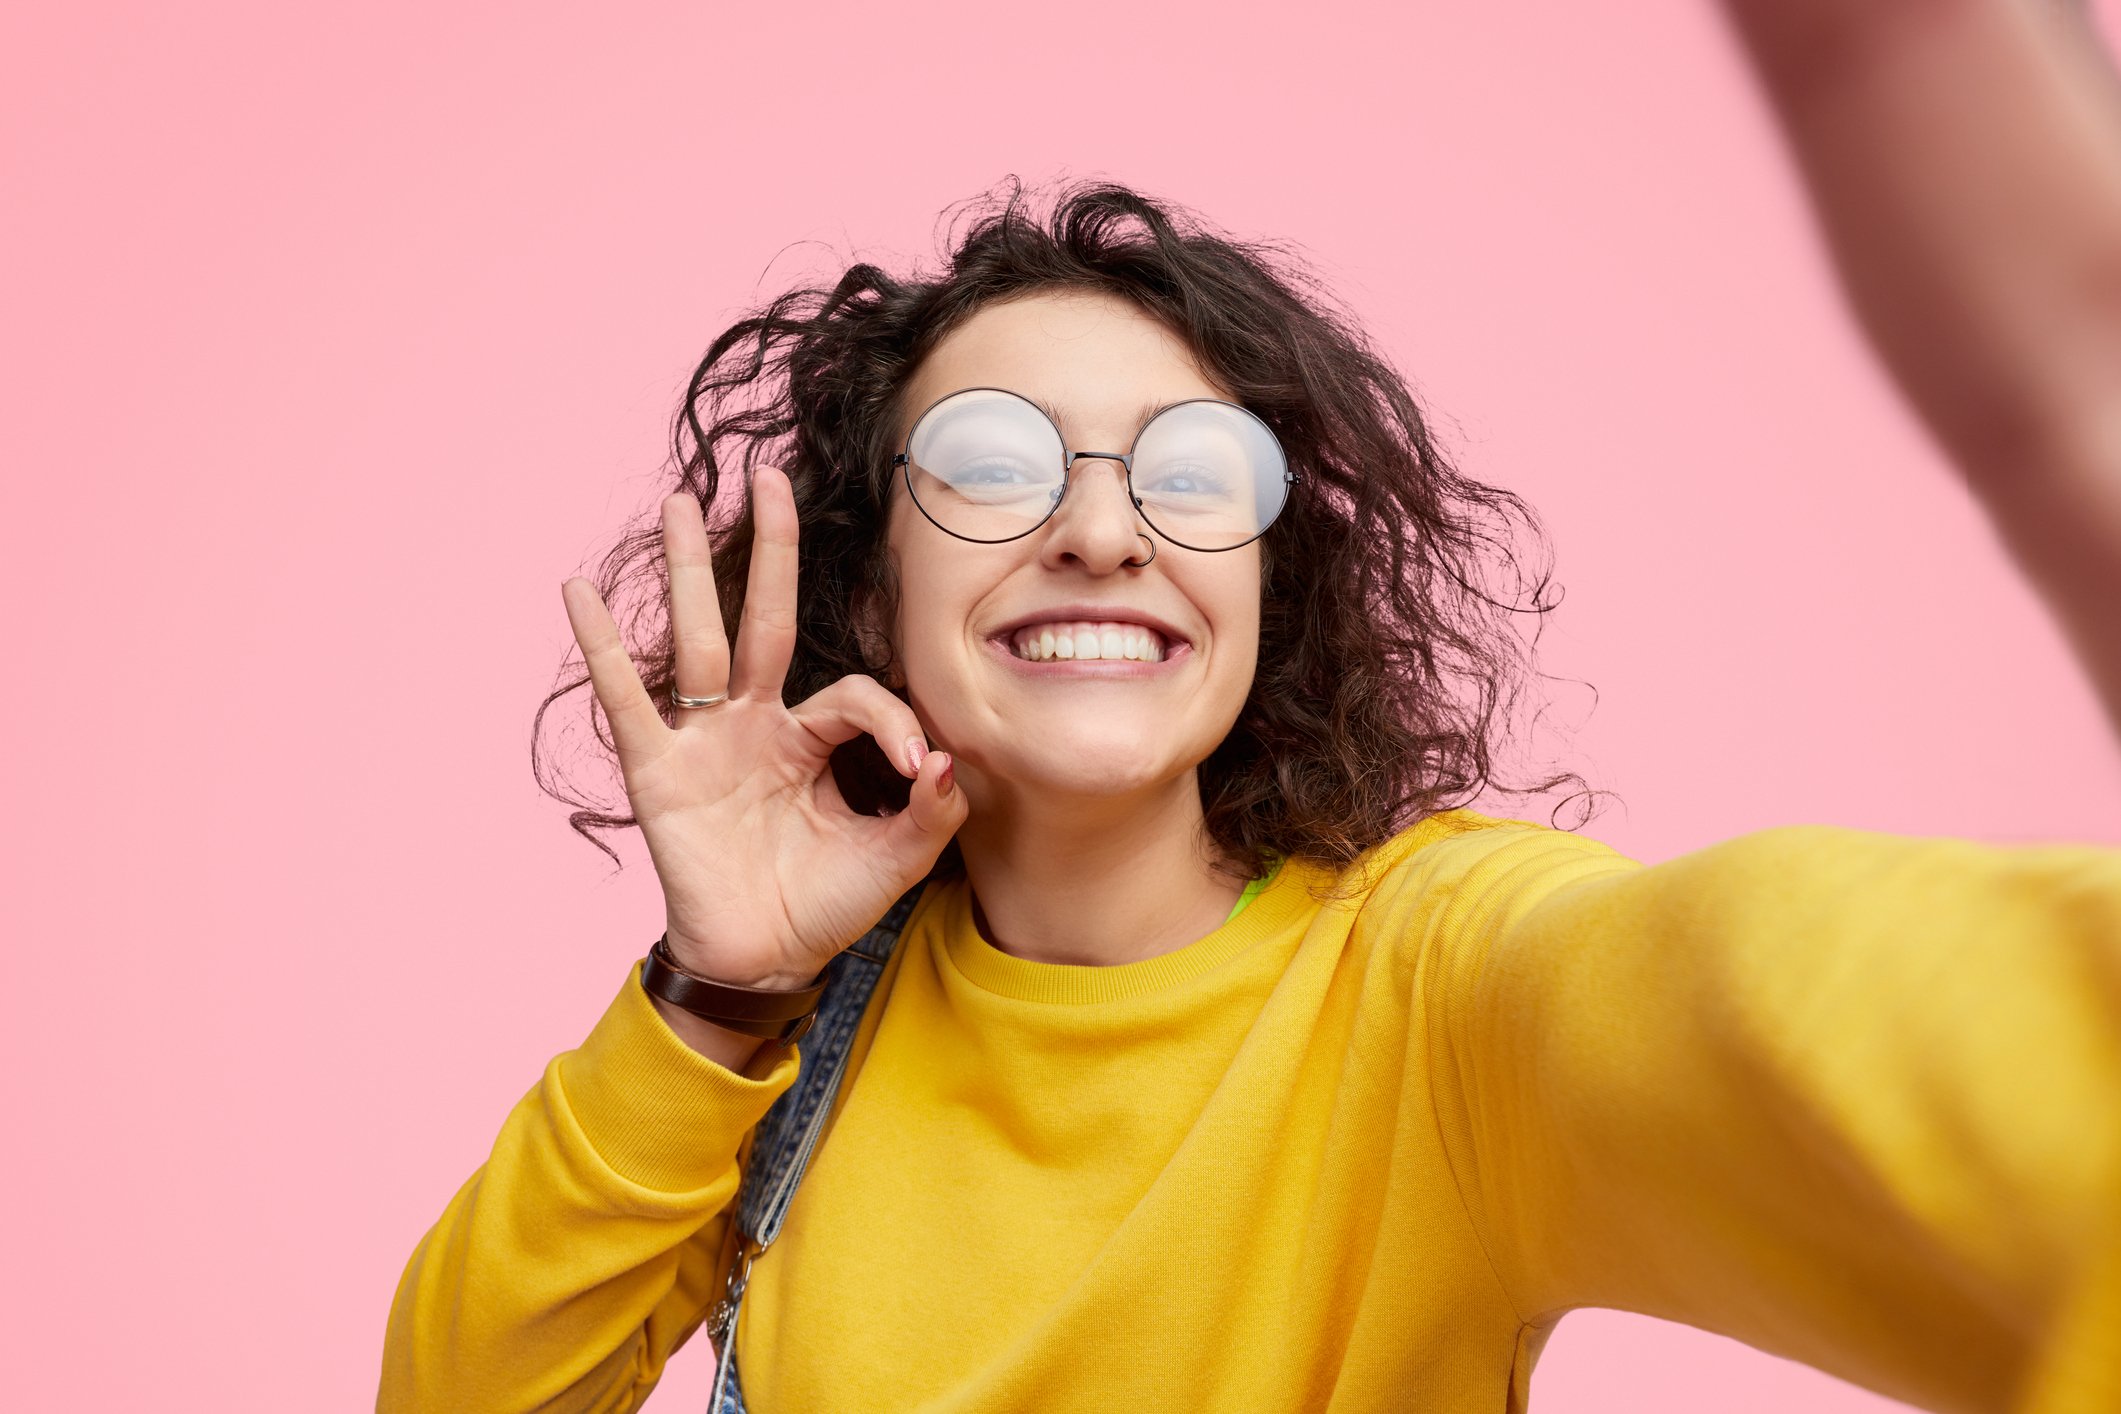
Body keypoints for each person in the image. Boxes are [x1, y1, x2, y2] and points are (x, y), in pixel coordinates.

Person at [377, 3, 2121, 1410]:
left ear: (1267, 582)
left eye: (1192, 472)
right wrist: (716, 1000)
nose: (1101, 528)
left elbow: (1795, 1016)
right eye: (992, 466)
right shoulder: (787, 1042)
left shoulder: (1430, 991)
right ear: (868, 582)